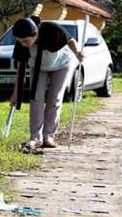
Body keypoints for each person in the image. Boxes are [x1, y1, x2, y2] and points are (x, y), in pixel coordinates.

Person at [10, 16, 84, 150]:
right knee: (36, 98)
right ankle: (35, 138)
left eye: (26, 41)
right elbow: (20, 68)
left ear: (35, 34)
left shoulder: (52, 29)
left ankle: (48, 137)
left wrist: (78, 52)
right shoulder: (21, 42)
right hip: (38, 68)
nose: (23, 44)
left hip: (61, 64)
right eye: (20, 41)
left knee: (54, 99)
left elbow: (70, 40)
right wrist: (15, 93)